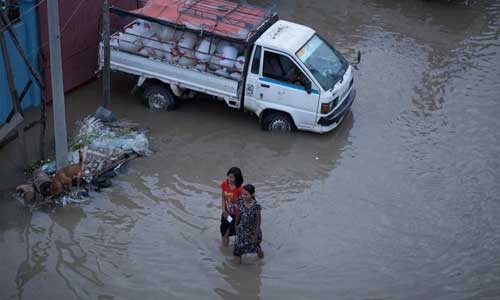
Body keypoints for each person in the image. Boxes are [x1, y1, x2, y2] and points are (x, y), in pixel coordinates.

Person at [234, 184, 264, 264]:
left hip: (252, 232)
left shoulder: (256, 206)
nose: (243, 196)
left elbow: (258, 222)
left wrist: (255, 235)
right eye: (242, 193)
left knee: (256, 248)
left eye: (246, 194)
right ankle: (236, 270)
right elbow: (238, 213)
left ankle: (262, 261)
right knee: (237, 248)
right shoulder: (240, 200)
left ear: (252, 194)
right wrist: (236, 224)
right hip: (242, 229)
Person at [220, 167, 244, 247]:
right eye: (228, 176)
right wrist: (223, 210)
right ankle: (225, 249)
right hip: (226, 213)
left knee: (229, 232)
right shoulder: (224, 184)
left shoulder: (240, 189)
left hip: (235, 215)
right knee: (224, 232)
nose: (229, 179)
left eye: (232, 177)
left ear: (237, 178)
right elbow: (223, 198)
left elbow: (241, 205)